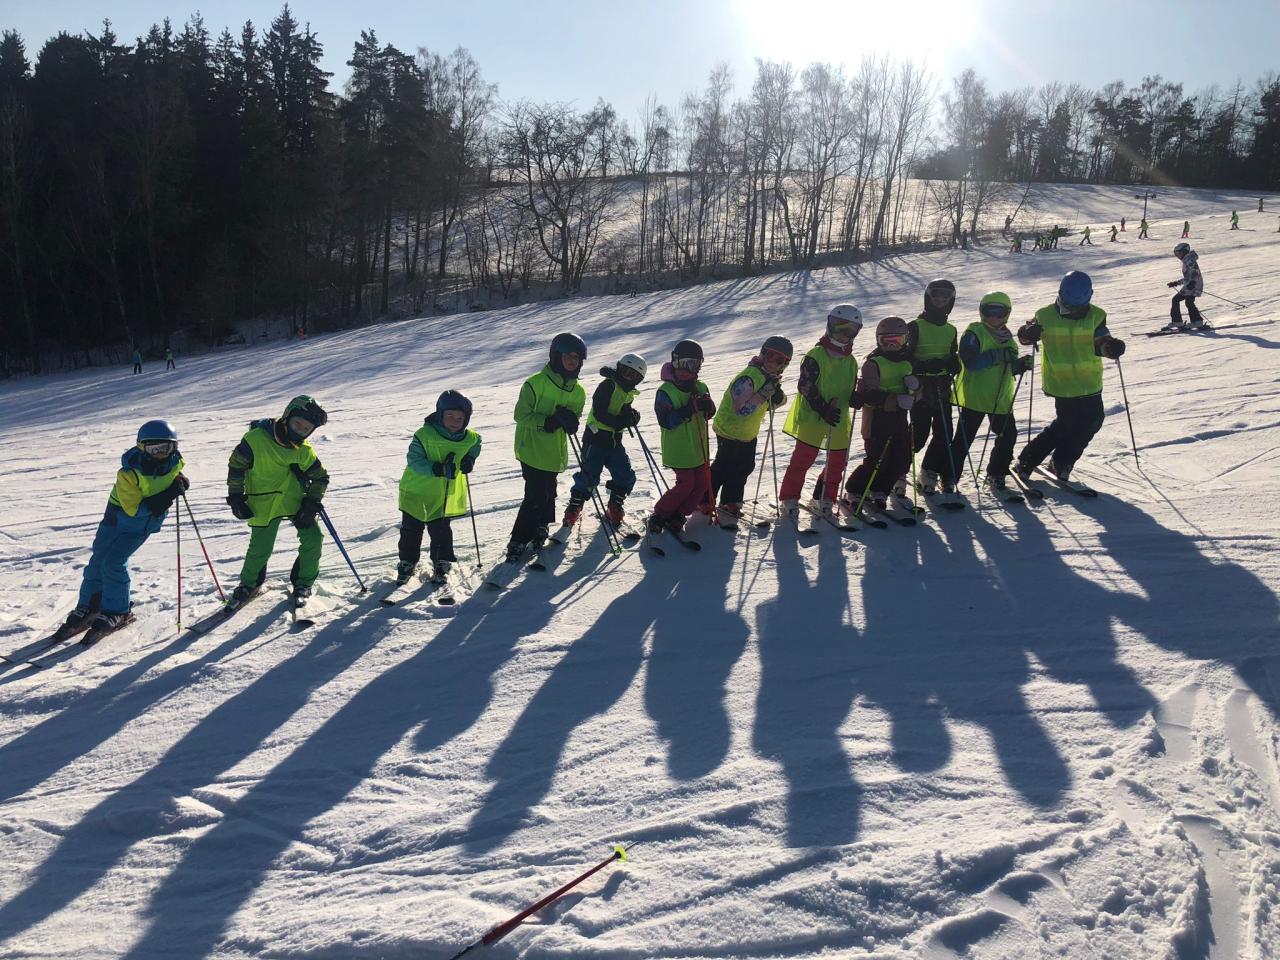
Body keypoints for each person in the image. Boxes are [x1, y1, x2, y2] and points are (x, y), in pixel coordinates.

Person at [53, 421, 189, 641]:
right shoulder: (129, 474)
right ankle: (90, 605)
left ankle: (118, 610)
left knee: (113, 563)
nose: (160, 454)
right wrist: (167, 496)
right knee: (98, 562)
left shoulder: (175, 462)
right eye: (154, 449)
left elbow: (172, 473)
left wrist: (179, 481)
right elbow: (133, 509)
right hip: (117, 519)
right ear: (142, 448)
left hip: (140, 527)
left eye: (165, 448)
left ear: (174, 448)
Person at [1013, 271, 1125, 483]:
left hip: (1089, 381)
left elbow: (1101, 343)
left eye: (1078, 307)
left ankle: (1062, 461)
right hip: (1061, 382)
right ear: (1061, 295)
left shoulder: (1096, 316)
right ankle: (1027, 460)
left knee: (1092, 422)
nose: (1072, 311)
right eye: (1068, 305)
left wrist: (1111, 348)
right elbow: (1024, 337)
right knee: (1066, 425)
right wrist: (1028, 332)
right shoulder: (1045, 315)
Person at [225, 395, 330, 605]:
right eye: (297, 423)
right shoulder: (255, 439)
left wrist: (311, 503)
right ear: (287, 416)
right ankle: (249, 584)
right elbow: (237, 466)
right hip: (262, 502)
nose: (299, 430)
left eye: (306, 429)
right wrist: (236, 497)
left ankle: (303, 583)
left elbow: (320, 478)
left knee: (313, 538)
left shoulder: (303, 451)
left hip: (294, 500)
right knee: (261, 547)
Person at [506, 333, 587, 560]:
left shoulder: (578, 391)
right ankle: (519, 539)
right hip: (531, 449)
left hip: (554, 452)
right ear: (556, 356)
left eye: (576, 357)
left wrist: (571, 422)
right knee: (536, 494)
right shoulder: (535, 383)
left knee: (549, 490)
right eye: (567, 356)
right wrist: (547, 421)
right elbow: (521, 415)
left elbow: (575, 416)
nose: (572, 361)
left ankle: (541, 525)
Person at [777, 305, 862, 520]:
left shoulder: (851, 361)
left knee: (837, 461)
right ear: (829, 325)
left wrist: (855, 397)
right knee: (803, 459)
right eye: (839, 327)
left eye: (849, 330)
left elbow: (849, 387)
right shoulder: (816, 355)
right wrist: (822, 408)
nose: (843, 334)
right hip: (813, 417)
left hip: (838, 419)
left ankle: (824, 498)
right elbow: (805, 386)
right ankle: (789, 498)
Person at [950, 293, 1034, 496]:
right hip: (976, 396)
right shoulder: (974, 332)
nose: (994, 317)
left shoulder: (1006, 336)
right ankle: (949, 476)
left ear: (1007, 314)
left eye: (999, 312)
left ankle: (996, 472)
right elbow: (971, 362)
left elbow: (1007, 366)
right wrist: (997, 355)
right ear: (982, 312)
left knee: (1008, 435)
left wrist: (1019, 365)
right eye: (989, 311)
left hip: (1001, 397)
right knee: (963, 439)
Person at [397, 390, 482, 586]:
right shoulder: (424, 435)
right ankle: (407, 561)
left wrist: (470, 459)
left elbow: (477, 443)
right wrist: (437, 468)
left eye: (460, 418)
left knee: (441, 530)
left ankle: (442, 561)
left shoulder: (469, 437)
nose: (455, 421)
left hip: (443, 494)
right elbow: (414, 460)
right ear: (440, 414)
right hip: (415, 490)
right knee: (411, 529)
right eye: (450, 416)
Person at [709, 336, 791, 528]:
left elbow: (770, 403)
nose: (773, 363)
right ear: (762, 354)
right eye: (770, 356)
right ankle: (705, 499)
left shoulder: (769, 379)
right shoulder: (749, 377)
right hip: (729, 430)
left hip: (747, 433)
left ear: (784, 365)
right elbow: (742, 409)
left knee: (743, 467)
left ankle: (731, 501)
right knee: (724, 467)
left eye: (779, 360)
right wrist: (764, 394)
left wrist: (777, 398)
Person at [841, 317, 921, 514]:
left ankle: (881, 490)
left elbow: (917, 393)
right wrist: (896, 399)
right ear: (879, 341)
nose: (892, 346)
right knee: (878, 458)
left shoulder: (908, 362)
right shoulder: (873, 363)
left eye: (897, 341)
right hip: (877, 419)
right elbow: (870, 395)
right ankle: (855, 490)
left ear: (905, 340)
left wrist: (916, 389)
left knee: (901, 458)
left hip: (900, 418)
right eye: (887, 341)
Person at [564, 353, 647, 529]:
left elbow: (623, 409)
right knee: (589, 475)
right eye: (625, 372)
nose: (627, 378)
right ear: (619, 368)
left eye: (633, 376)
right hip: (595, 439)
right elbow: (600, 412)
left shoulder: (628, 392)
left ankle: (615, 504)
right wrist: (621, 421)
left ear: (638, 380)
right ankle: (574, 506)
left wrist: (632, 416)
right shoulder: (608, 385)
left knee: (625, 474)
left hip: (614, 441)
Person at [649, 339, 715, 535]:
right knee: (686, 484)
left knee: (702, 482)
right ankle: (661, 513)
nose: (685, 370)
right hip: (679, 448)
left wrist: (708, 407)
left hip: (698, 447)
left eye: (692, 364)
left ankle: (679, 513)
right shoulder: (666, 391)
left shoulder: (701, 387)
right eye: (681, 363)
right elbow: (666, 421)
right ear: (674, 361)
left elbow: (708, 414)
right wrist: (689, 409)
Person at [905, 278, 961, 495]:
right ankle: (897, 471)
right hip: (920, 390)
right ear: (928, 298)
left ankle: (929, 471)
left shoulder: (951, 330)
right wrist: (924, 366)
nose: (940, 301)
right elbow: (904, 359)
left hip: (942, 388)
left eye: (945, 298)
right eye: (936, 297)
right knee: (918, 435)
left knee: (944, 434)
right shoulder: (915, 327)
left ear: (951, 302)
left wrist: (953, 363)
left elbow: (952, 354)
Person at [1166, 241, 1206, 329]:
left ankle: (1192, 321)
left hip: (1194, 285)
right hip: (1191, 284)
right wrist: (1177, 283)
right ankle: (1192, 321)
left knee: (1183, 301)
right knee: (1183, 301)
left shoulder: (1189, 260)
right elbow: (1188, 277)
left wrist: (1192, 283)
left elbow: (1194, 272)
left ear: (1184, 251)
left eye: (1179, 253)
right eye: (1176, 254)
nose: (1178, 256)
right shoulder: (1186, 260)